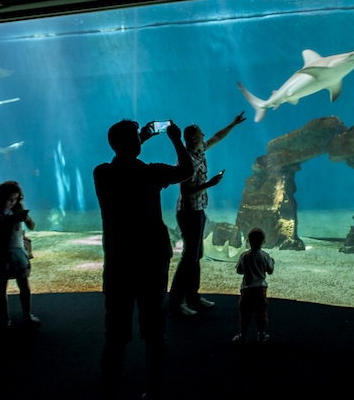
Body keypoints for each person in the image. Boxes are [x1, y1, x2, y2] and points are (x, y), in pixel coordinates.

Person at [93, 119, 194, 400]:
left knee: (115, 333)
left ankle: (109, 392)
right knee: (154, 331)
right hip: (151, 259)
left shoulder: (102, 173)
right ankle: (155, 391)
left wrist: (138, 139)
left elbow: (124, 156)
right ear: (135, 143)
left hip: (118, 261)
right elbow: (187, 170)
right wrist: (175, 139)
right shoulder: (152, 173)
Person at [169, 112, 246, 316]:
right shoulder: (186, 159)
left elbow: (217, 137)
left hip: (199, 209)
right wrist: (209, 184)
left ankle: (193, 297)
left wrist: (233, 124)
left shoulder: (200, 149)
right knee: (189, 257)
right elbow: (185, 190)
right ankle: (175, 302)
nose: (204, 135)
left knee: (197, 255)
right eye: (200, 134)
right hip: (188, 211)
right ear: (193, 138)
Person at [0, 180, 40, 327]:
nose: (12, 202)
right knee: (1, 287)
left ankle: (27, 315)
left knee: (24, 285)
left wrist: (26, 218)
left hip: (18, 253)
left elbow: (32, 226)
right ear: (1, 198)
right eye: (9, 199)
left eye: (15, 199)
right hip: (1, 254)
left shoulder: (17, 211)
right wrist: (7, 222)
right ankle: (5, 318)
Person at [232, 227, 275, 344]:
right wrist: (272, 262)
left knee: (245, 313)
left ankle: (242, 335)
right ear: (264, 242)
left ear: (247, 241)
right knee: (261, 312)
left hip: (247, 289)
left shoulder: (244, 256)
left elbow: (239, 270)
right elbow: (270, 270)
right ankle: (261, 334)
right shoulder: (265, 256)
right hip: (261, 289)